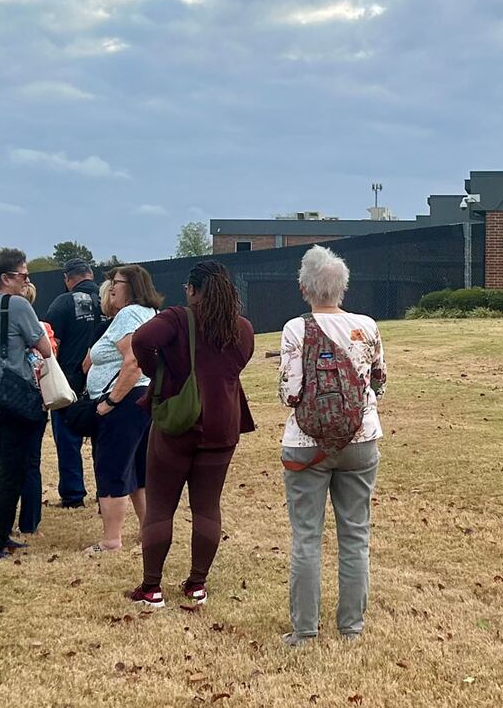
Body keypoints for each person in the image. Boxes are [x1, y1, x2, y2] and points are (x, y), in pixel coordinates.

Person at [126, 261, 256, 607]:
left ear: (193, 290)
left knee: (160, 507)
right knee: (207, 506)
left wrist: (160, 372)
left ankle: (151, 587)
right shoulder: (242, 329)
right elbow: (235, 365)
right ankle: (197, 585)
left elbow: (142, 340)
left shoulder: (177, 319)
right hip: (223, 423)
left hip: (177, 422)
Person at [277, 246, 388, 646]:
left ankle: (305, 631)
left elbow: (291, 394)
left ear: (304, 287)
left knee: (307, 536)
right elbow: (379, 382)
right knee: (355, 535)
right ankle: (351, 629)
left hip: (306, 445)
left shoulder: (295, 329)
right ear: (343, 287)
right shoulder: (367, 326)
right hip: (361, 440)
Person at [0, 249, 53, 562]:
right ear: (6, 278)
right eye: (23, 275)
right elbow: (44, 347)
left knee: (3, 469)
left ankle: (1, 535)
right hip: (14, 401)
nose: (27, 281)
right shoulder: (17, 305)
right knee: (12, 474)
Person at [82, 264, 163, 555]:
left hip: (125, 403)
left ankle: (111, 540)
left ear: (132, 287)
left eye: (115, 282)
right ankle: (147, 530)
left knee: (113, 467)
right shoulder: (148, 315)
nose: (111, 288)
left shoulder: (129, 314)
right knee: (138, 470)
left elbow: (132, 361)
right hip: (141, 401)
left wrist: (111, 400)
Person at [43, 258, 105, 508]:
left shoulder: (63, 302)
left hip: (69, 381)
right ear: (90, 273)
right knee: (104, 439)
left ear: (67, 279)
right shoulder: (108, 300)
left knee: (68, 440)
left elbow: (49, 341)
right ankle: (107, 491)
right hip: (105, 380)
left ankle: (73, 495)